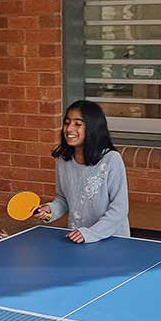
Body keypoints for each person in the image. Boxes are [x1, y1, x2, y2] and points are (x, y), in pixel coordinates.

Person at [34, 100, 130, 243]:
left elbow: (119, 209)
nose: (69, 129)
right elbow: (63, 199)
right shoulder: (63, 160)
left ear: (93, 128)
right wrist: (50, 209)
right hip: (77, 237)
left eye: (78, 124)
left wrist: (91, 233)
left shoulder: (111, 159)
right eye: (67, 123)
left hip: (112, 239)